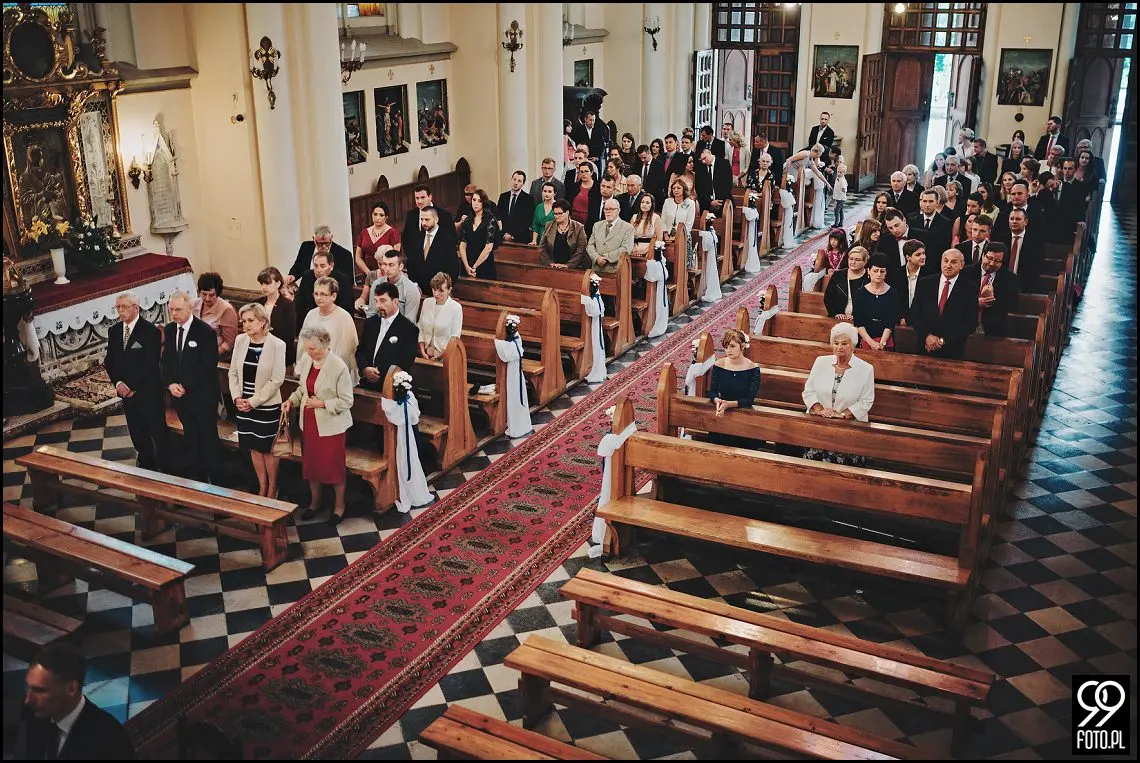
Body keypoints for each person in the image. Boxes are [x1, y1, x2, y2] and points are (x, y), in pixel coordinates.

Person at [284, 326, 354, 525]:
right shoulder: (307, 360)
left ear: (324, 345)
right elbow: (302, 390)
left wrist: (322, 404)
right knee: (312, 466)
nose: (308, 352)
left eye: (312, 348)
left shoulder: (338, 366)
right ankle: (315, 503)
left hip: (331, 426)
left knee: (333, 468)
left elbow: (347, 401)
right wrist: (291, 401)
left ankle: (339, 506)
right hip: (309, 423)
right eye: (306, 348)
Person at [19, 641, 135, 760]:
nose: (28, 700)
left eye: (40, 690)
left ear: (71, 688)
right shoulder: (32, 713)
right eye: (28, 687)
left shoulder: (110, 741)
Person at [162, 291, 222, 484]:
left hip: (202, 396)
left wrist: (184, 385)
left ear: (190, 308)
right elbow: (167, 361)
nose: (174, 314)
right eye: (171, 310)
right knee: (191, 438)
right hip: (180, 397)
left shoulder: (205, 332)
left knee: (208, 439)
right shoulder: (171, 330)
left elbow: (207, 365)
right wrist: (170, 383)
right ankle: (197, 481)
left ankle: (218, 485)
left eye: (178, 309)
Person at [106, 291, 168, 472]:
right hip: (126, 392)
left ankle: (164, 467)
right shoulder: (115, 331)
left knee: (156, 429)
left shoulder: (150, 332)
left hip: (148, 391)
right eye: (118, 307)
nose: (120, 311)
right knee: (136, 429)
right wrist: (118, 384)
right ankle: (145, 461)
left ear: (136, 308)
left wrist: (131, 385)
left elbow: (150, 364)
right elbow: (110, 361)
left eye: (124, 307)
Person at [229, 303, 286, 498]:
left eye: (250, 321)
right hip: (242, 405)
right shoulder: (240, 340)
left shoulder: (277, 345)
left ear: (263, 322)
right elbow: (233, 372)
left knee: (267, 449)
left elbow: (277, 379)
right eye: (243, 321)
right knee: (254, 447)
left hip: (266, 405)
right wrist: (237, 397)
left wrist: (253, 401)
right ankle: (262, 486)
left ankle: (273, 487)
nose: (246, 325)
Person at [800, 322, 875, 465]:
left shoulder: (866, 369)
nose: (839, 347)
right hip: (820, 426)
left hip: (849, 430)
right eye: (836, 343)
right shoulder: (821, 362)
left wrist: (842, 415)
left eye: (844, 343)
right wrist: (820, 410)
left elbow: (866, 401)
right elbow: (809, 391)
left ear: (853, 345)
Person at [910, 248, 977, 359]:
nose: (948, 265)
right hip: (924, 347)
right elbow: (914, 314)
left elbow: (970, 324)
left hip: (953, 350)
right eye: (945, 261)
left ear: (962, 265)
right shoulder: (925, 283)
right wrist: (927, 336)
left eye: (953, 262)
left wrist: (942, 341)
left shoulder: (970, 289)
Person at [357, 281, 419, 391]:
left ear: (395, 301)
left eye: (383, 301)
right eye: (376, 301)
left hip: (392, 386)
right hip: (367, 382)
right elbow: (361, 350)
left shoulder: (409, 329)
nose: (378, 305)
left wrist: (378, 372)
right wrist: (365, 368)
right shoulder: (370, 323)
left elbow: (405, 361)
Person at [706, 329, 761, 448]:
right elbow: (713, 391)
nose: (728, 350)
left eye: (732, 346)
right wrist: (716, 400)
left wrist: (729, 404)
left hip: (744, 416)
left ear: (742, 346)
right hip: (722, 415)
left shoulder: (753, 368)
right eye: (725, 347)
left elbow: (749, 399)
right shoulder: (718, 365)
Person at [299, 276, 359, 382]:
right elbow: (303, 344)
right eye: (316, 294)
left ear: (333, 296)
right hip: (312, 368)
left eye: (323, 294)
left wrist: (327, 367)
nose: (318, 298)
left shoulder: (344, 317)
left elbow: (346, 350)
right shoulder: (311, 314)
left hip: (336, 373)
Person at [401, 185, 456, 283]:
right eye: (417, 198)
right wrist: (414, 258)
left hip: (438, 272)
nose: (419, 201)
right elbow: (406, 239)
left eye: (422, 197)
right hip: (416, 271)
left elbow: (451, 241)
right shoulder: (411, 215)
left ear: (430, 197)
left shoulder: (444, 215)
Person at [964, 243, 1020, 337]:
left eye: (997, 261)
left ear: (1002, 262)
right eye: (989, 258)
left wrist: (992, 302)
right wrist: (975, 303)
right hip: (965, 325)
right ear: (983, 255)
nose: (991, 263)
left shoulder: (1010, 278)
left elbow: (1013, 304)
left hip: (993, 329)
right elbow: (957, 298)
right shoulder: (966, 273)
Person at [406, 206, 460, 292]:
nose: (423, 223)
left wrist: (444, 288)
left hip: (439, 289)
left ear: (436, 220)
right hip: (419, 289)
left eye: (427, 220)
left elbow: (453, 268)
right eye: (422, 219)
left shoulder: (447, 239)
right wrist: (414, 284)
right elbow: (411, 263)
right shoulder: (417, 237)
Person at [294, 250, 355, 326]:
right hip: (313, 321)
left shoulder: (343, 280)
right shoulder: (307, 276)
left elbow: (347, 309)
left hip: (336, 322)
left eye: (322, 266)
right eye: (315, 266)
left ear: (331, 266)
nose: (318, 270)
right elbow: (299, 305)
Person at [853, 253, 900, 350]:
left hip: (886, 341)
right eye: (875, 271)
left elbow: (890, 322)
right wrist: (871, 343)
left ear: (886, 273)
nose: (879, 274)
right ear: (868, 271)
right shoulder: (860, 293)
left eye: (882, 271)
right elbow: (858, 322)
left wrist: (882, 343)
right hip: (865, 339)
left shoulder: (893, 293)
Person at [360, 249, 422, 322]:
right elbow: (372, 314)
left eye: (391, 265)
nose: (386, 269)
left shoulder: (411, 290)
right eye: (385, 264)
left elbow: (409, 322)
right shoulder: (376, 284)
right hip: (379, 327)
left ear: (401, 266)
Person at [255, 266, 298, 368]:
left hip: (280, 354)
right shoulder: (257, 303)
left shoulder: (288, 305)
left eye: (267, 283)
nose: (263, 287)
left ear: (278, 283)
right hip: (259, 351)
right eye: (262, 284)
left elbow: (289, 335)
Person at [287, 225, 354, 288]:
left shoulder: (344, 254)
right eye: (320, 244)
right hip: (308, 288)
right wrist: (293, 275)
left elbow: (348, 281)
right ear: (314, 239)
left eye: (327, 243)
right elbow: (298, 266)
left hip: (331, 290)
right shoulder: (306, 247)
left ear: (331, 237)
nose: (324, 246)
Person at [192, 272, 238, 360]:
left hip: (217, 356)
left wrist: (211, 356)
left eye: (212, 295)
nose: (207, 298)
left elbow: (229, 343)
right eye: (204, 294)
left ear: (218, 293)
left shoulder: (226, 309)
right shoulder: (193, 304)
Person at [417, 272, 463, 360]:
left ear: (449, 290)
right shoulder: (427, 303)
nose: (436, 294)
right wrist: (422, 352)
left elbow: (454, 337)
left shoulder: (456, 308)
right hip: (425, 353)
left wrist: (439, 356)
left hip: (445, 356)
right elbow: (421, 329)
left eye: (441, 290)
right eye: (434, 289)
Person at [459, 188, 501, 279]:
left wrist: (474, 267)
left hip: (483, 263)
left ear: (484, 203)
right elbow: (462, 245)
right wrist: (467, 266)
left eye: (479, 201)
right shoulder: (467, 220)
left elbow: (488, 248)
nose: (476, 203)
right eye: (474, 200)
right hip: (467, 262)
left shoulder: (490, 220)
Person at [586, 199, 635, 275]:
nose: (608, 211)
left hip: (615, 271)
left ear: (618, 210)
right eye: (606, 209)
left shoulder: (628, 228)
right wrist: (597, 257)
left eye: (611, 209)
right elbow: (590, 245)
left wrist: (607, 257)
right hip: (596, 269)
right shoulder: (597, 225)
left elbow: (626, 249)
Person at [354, 201, 401, 279]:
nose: (377, 218)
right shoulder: (364, 232)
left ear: (386, 217)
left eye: (381, 215)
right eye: (375, 214)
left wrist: (383, 273)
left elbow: (395, 258)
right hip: (367, 274)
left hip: (386, 275)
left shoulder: (393, 233)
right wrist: (369, 273)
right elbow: (358, 257)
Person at [539, 199, 589, 268]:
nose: (556, 216)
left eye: (559, 213)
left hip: (573, 268)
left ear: (567, 212)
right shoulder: (549, 226)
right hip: (552, 266)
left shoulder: (579, 228)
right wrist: (549, 263)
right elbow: (542, 247)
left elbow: (581, 250)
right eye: (555, 214)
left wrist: (568, 265)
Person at [661, 179, 698, 272]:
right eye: (674, 188)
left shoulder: (690, 203)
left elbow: (689, 224)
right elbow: (663, 220)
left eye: (678, 188)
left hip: (683, 237)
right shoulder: (667, 202)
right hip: (667, 237)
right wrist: (665, 234)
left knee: (679, 262)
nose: (676, 190)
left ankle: (682, 276)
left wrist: (676, 238)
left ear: (684, 189)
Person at [823, 245, 869, 319]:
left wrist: (857, 316)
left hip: (861, 321)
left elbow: (871, 303)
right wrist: (836, 314)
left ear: (865, 262)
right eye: (851, 259)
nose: (853, 262)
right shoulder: (838, 275)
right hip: (837, 318)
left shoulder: (869, 278)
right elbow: (828, 298)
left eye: (857, 260)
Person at [890, 239, 929, 325]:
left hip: (923, 321)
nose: (923, 257)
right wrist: (901, 317)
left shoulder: (929, 274)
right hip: (900, 322)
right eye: (918, 254)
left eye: (923, 253)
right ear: (908, 257)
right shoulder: (896, 275)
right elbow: (894, 300)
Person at [909, 189, 953, 259]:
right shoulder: (912, 221)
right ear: (921, 202)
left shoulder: (946, 223)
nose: (927, 205)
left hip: (935, 263)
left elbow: (945, 247)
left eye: (931, 201)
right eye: (925, 201)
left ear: (937, 202)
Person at [497, 170, 535, 243]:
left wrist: (513, 236)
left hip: (521, 239)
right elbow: (498, 217)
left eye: (519, 181)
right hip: (503, 238)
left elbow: (527, 221)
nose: (516, 183)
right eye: (514, 179)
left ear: (523, 183)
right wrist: (504, 234)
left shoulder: (529, 199)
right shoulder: (503, 196)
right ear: (511, 180)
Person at [695, 148, 733, 215]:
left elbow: (728, 184)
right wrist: (710, 202)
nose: (703, 161)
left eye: (704, 158)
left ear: (709, 153)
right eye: (701, 160)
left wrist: (718, 202)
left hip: (723, 202)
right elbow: (699, 188)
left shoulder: (724, 163)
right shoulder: (700, 167)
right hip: (706, 205)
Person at [629, 192, 662, 257]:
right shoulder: (634, 217)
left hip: (650, 249)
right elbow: (629, 236)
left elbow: (659, 239)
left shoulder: (656, 218)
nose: (644, 204)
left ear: (652, 205)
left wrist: (645, 251)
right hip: (635, 249)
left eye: (647, 203)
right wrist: (634, 249)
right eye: (642, 202)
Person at [831, 161, 848, 227]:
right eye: (838, 172)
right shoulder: (838, 178)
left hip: (841, 198)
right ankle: (841, 223)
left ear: (844, 173)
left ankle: (836, 223)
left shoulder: (843, 180)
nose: (839, 173)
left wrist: (842, 190)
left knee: (836, 210)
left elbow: (844, 189)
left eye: (841, 172)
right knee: (840, 210)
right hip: (838, 197)